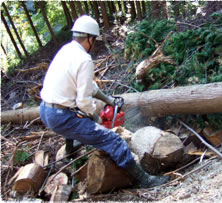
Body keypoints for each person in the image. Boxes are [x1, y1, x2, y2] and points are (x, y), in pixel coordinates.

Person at [40, 15, 169, 188]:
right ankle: (144, 180)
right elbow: (84, 101)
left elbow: (88, 86)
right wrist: (97, 119)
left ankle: (71, 150)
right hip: (61, 117)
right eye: (94, 41)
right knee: (113, 140)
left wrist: (107, 99)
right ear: (90, 38)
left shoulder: (66, 50)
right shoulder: (84, 59)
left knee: (76, 117)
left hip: (46, 111)